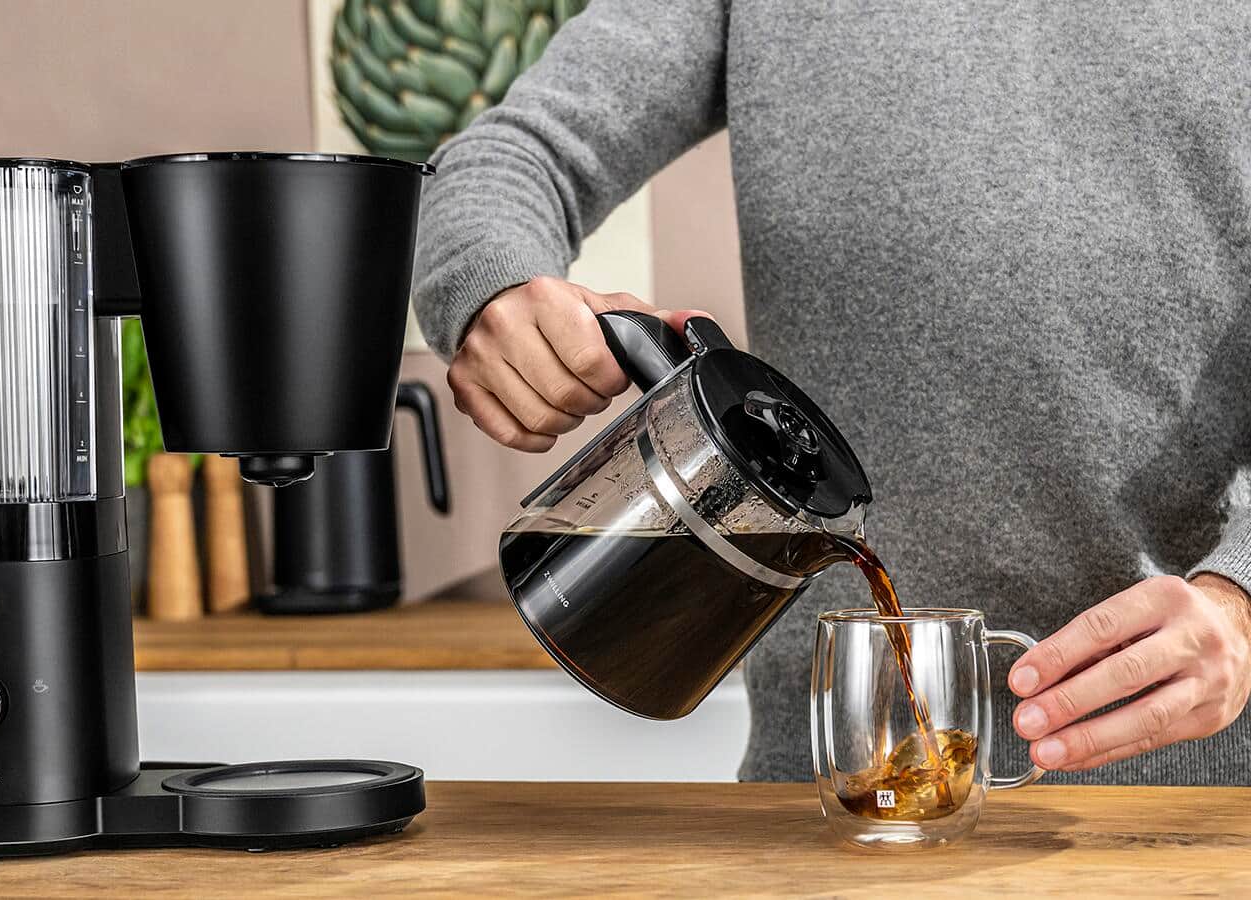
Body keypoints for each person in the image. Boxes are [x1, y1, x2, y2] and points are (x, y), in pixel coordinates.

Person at [411, 1, 1251, 783]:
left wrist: (1239, 600)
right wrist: (494, 285)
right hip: (829, 802)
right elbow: (513, 155)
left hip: (1198, 811)